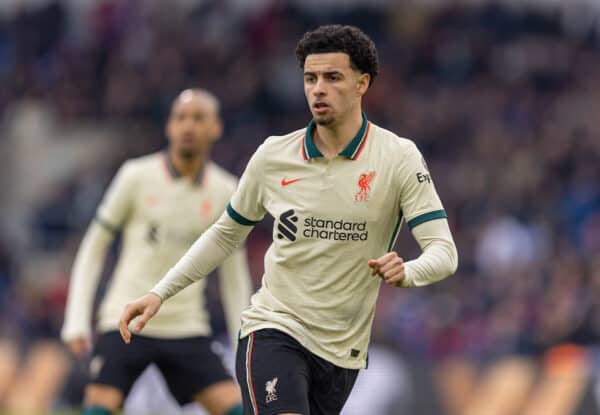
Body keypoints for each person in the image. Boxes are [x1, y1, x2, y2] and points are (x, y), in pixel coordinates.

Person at [120, 25, 458, 415]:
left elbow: (444, 251)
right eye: (310, 78)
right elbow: (226, 234)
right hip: (273, 329)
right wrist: (160, 292)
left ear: (362, 83)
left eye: (332, 78)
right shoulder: (273, 156)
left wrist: (409, 272)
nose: (318, 89)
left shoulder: (398, 158)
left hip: (341, 354)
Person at [61, 89, 250, 415]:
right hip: (125, 319)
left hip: (187, 325)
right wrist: (76, 319)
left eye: (198, 118)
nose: (188, 126)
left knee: (235, 408)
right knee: (98, 410)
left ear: (216, 128)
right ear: (169, 127)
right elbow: (94, 246)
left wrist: (243, 340)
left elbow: (234, 271)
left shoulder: (226, 190)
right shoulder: (136, 176)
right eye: (180, 117)